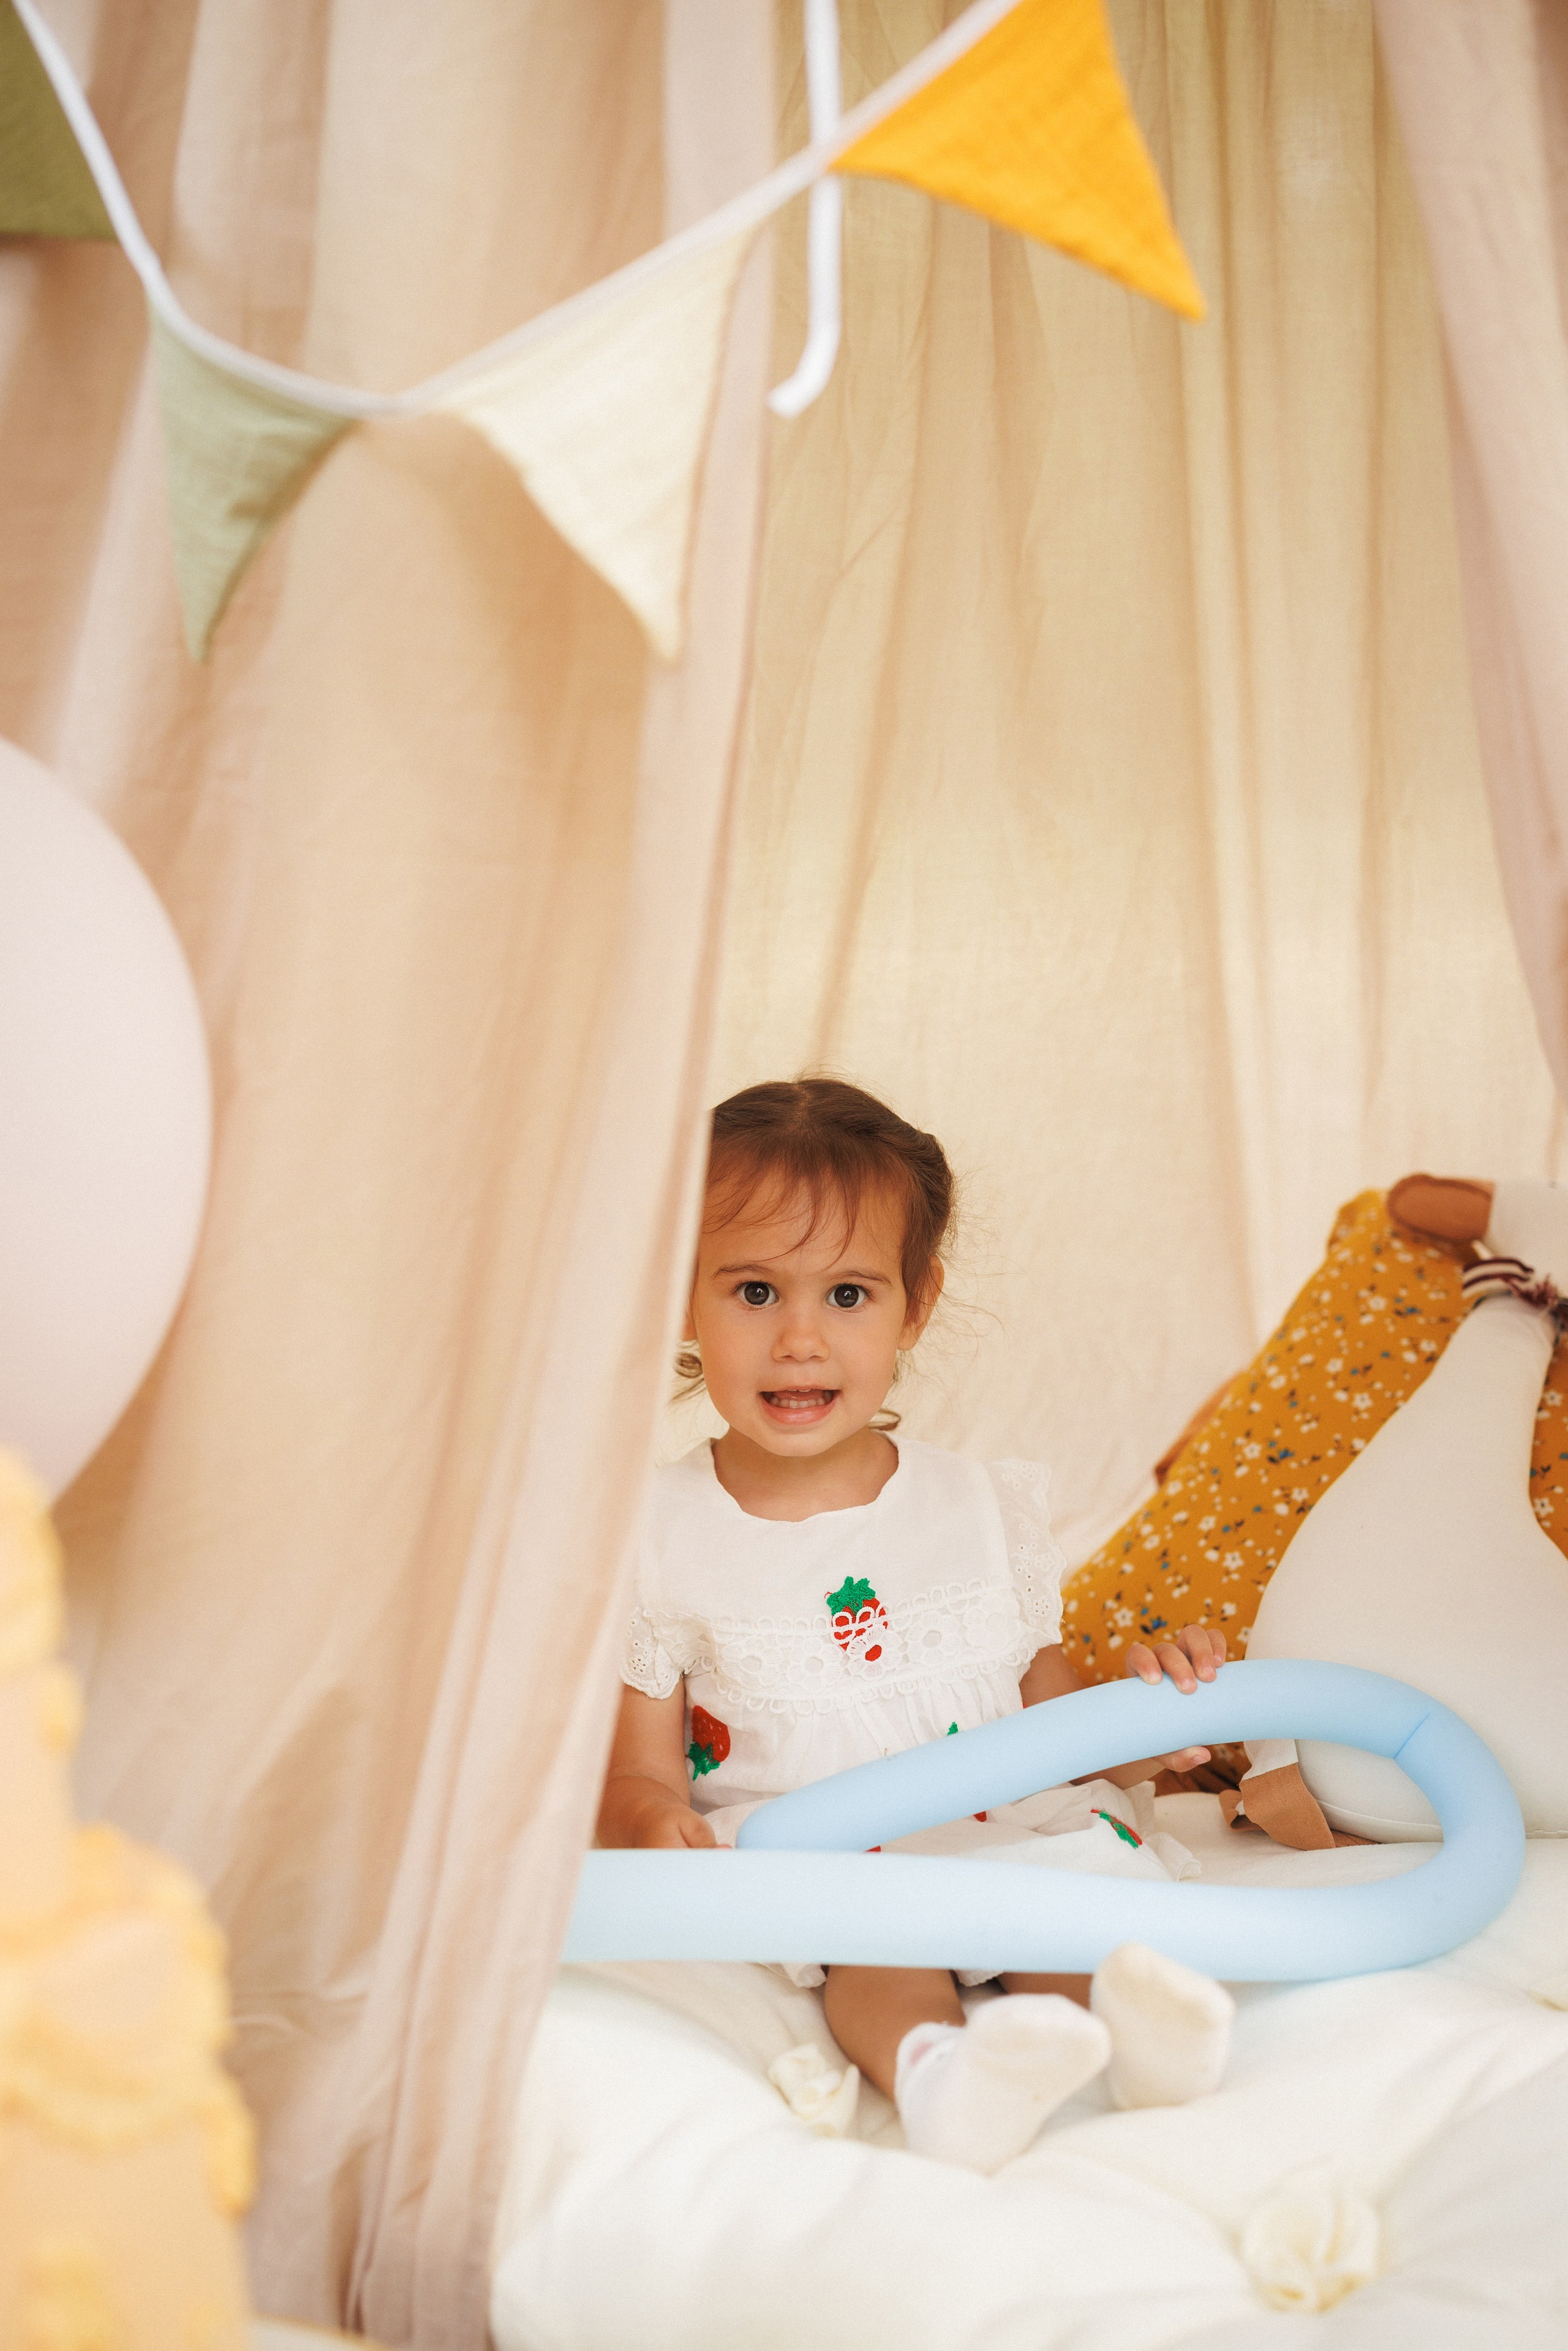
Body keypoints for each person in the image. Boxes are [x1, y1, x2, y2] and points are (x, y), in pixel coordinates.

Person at [598, 1077, 1235, 2175]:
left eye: (848, 1295)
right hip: (841, 1856)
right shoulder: (654, 1533)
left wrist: (1158, 1707)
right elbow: (637, 1776)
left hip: (1016, 1830)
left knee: (1073, 1922)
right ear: (681, 1302)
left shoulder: (983, 1508)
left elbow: (1055, 1705)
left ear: (916, 1302)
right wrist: (655, 1824)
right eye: (755, 1290)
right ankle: (940, 2074)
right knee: (876, 1958)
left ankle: (1137, 2048)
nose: (801, 1339)